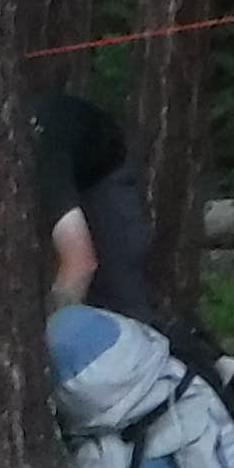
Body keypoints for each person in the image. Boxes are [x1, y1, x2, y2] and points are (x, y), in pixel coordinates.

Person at [30, 88, 161, 318]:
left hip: (104, 175)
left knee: (122, 298)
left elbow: (80, 262)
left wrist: (54, 332)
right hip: (73, 156)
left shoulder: (43, 160)